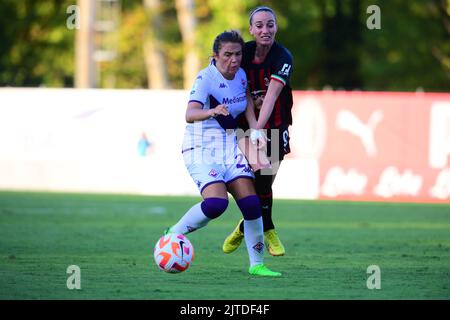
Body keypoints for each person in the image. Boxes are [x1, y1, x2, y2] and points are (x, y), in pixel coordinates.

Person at [165, 30, 281, 277]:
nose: (234, 59)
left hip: (229, 145)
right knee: (217, 204)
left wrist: (255, 127)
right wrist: (213, 111)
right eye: (227, 54)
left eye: (238, 54)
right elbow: (190, 114)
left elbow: (246, 97)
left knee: (252, 204)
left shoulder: (240, 75)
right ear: (215, 56)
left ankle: (257, 264)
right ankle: (173, 233)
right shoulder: (205, 78)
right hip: (201, 147)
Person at [223, 6, 294, 257]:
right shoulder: (244, 53)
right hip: (248, 125)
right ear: (251, 29)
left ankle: (245, 225)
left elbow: (272, 95)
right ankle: (269, 229)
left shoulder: (283, 56)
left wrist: (260, 129)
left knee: (265, 182)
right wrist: (253, 129)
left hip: (276, 126)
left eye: (270, 24)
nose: (266, 30)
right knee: (255, 181)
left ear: (276, 27)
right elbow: (243, 93)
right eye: (260, 25)